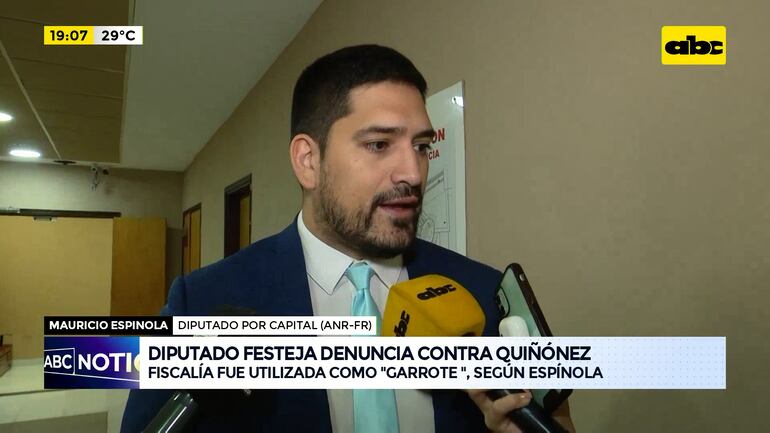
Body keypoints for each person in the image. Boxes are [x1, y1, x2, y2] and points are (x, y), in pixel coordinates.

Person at [121, 44, 574, 433]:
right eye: (379, 144)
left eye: (421, 146)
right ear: (308, 161)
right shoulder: (202, 302)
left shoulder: (485, 296)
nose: (413, 173)